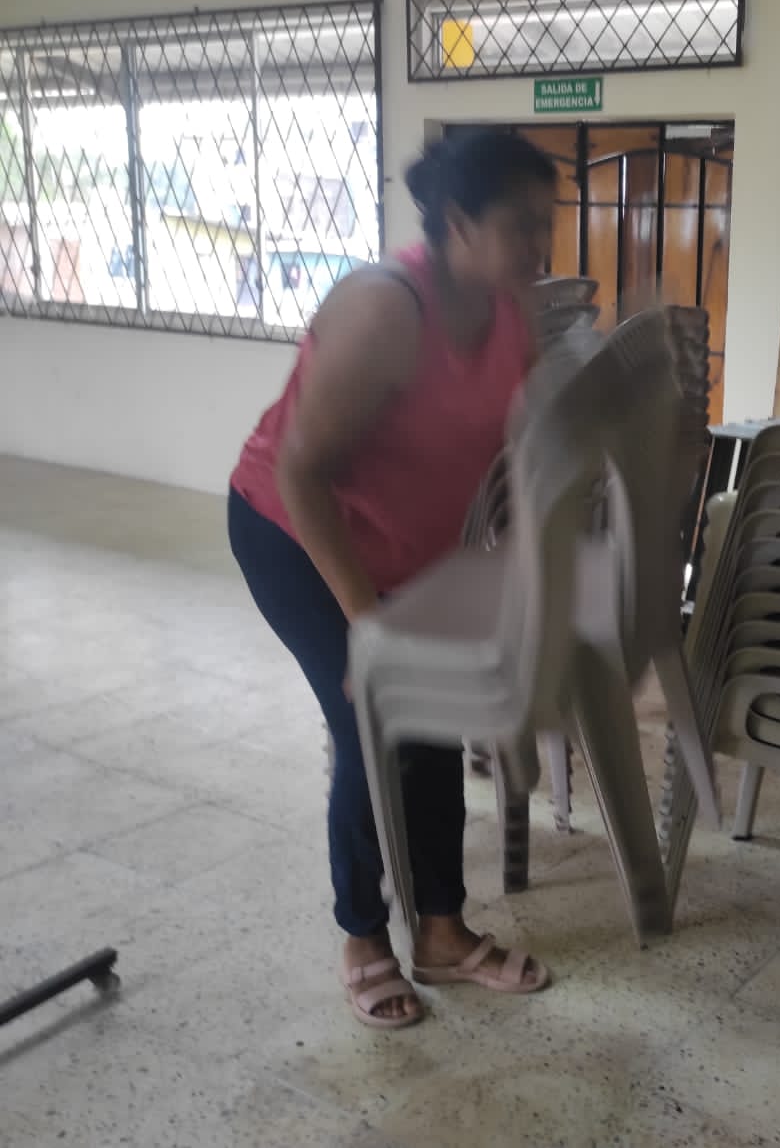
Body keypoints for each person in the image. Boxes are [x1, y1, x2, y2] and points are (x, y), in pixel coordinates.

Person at [227, 130, 557, 1029]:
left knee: (431, 718)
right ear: (457, 222)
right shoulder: (386, 308)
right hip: (296, 537)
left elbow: (517, 439)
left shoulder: (510, 309)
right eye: (522, 224)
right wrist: (368, 625)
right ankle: (363, 935)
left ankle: (442, 931)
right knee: (371, 723)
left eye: (548, 222)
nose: (541, 245)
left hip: (407, 548)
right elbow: (300, 473)